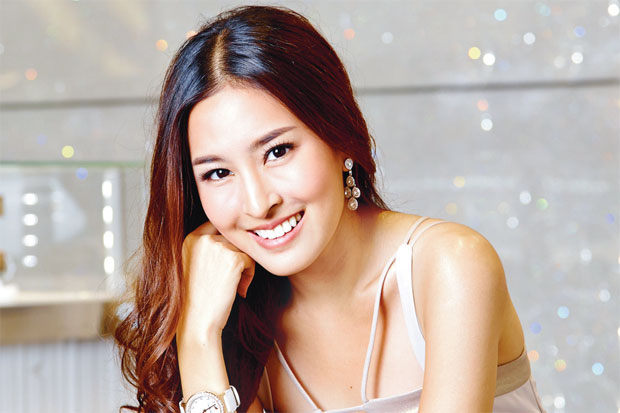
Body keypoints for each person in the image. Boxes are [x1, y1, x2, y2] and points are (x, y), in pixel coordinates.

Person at [113, 5, 546, 413]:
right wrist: (197, 336)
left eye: (278, 151)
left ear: (339, 135)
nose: (259, 203)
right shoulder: (240, 324)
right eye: (218, 173)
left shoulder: (451, 266)